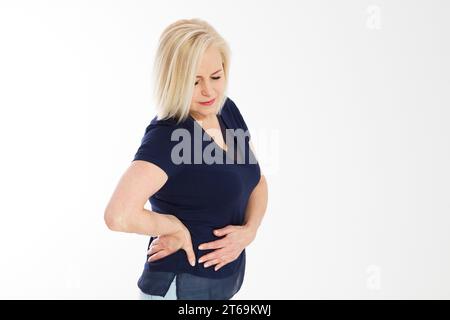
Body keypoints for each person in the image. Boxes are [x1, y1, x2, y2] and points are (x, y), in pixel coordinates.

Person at [104, 18, 268, 300]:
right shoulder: (168, 135)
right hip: (179, 288)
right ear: (174, 80)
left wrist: (249, 231)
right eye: (194, 81)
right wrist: (173, 226)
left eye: (216, 77)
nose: (209, 91)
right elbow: (118, 215)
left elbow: (256, 180)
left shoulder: (226, 110)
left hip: (223, 284)